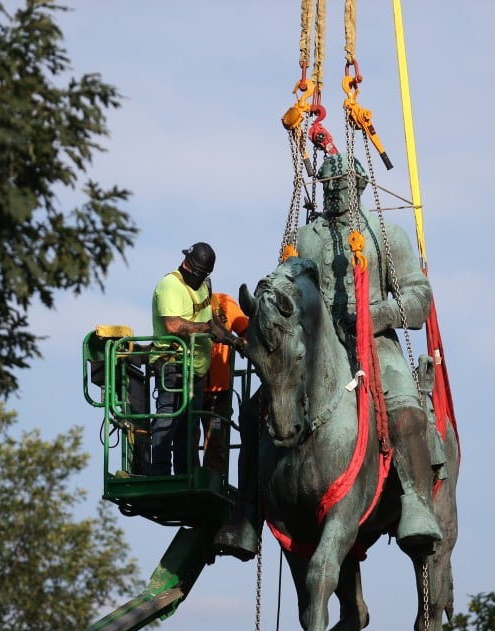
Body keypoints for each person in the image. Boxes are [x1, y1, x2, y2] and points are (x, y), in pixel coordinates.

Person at [216, 154, 441, 559]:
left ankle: (416, 502)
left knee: (405, 412)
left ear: (359, 186)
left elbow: (418, 297)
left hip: (374, 342)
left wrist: (378, 314)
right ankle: (247, 512)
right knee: (254, 413)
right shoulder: (306, 238)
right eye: (327, 184)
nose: (332, 191)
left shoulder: (386, 234)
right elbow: (289, 281)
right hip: (318, 349)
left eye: (340, 184)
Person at [149, 242, 235, 476]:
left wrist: (230, 338)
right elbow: (173, 325)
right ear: (190, 266)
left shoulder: (202, 287)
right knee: (168, 418)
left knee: (189, 425)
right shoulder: (170, 285)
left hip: (196, 370)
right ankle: (160, 472)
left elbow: (211, 319)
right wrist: (207, 328)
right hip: (172, 365)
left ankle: (185, 472)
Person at [201, 292, 249, 474]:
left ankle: (213, 481)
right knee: (186, 438)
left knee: (216, 440)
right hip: (189, 387)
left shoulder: (226, 303)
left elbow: (246, 332)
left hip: (219, 392)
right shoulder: (184, 302)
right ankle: (190, 479)